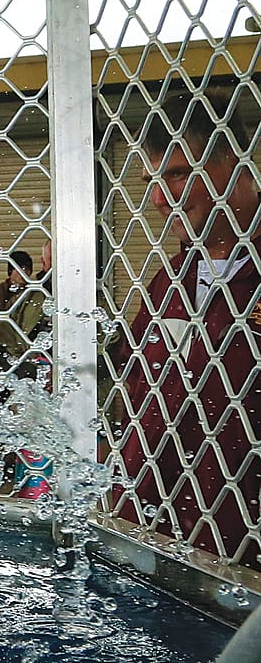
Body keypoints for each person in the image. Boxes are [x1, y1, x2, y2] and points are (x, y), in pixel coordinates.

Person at [109, 87, 260, 563]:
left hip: (242, 565)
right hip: (149, 547)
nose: (157, 198)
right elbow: (132, 391)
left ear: (235, 162)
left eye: (175, 175)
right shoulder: (169, 278)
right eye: (150, 181)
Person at [0, 250, 48, 384]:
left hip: (26, 350)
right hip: (2, 349)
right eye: (19, 270)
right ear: (10, 272)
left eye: (26, 270)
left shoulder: (35, 293)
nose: (23, 274)